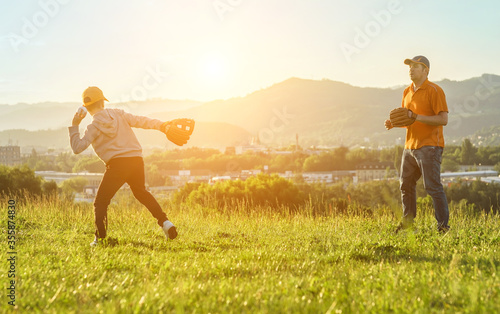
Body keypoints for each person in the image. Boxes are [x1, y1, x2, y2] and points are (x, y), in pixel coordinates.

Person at [69, 86, 177, 246]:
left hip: (117, 164)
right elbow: (141, 121)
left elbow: (77, 148)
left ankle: (101, 239)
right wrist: (162, 126)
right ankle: (165, 222)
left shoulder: (93, 128)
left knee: (100, 202)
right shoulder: (118, 114)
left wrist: (74, 125)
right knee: (141, 192)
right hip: (136, 159)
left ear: (85, 108)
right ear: (102, 102)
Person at [384, 56, 450, 233]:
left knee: (433, 187)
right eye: (410, 67)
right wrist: (395, 123)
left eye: (415, 67)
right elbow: (409, 119)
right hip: (410, 147)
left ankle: (443, 228)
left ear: (425, 71)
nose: (411, 70)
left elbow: (443, 119)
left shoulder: (435, 90)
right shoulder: (406, 91)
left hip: (430, 147)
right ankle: (408, 224)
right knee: (405, 185)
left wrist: (416, 116)